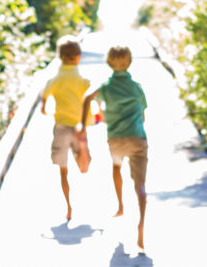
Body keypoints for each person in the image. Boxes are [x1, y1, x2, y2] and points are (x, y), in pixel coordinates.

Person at [80, 45, 149, 248]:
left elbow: (87, 98)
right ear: (129, 63)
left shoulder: (106, 88)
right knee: (140, 185)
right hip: (137, 138)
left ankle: (120, 205)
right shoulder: (137, 88)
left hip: (116, 140)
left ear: (109, 63)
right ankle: (141, 225)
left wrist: (85, 124)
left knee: (116, 166)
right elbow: (143, 116)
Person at [41, 36, 90, 221]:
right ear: (78, 57)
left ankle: (68, 206)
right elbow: (90, 97)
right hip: (78, 126)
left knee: (63, 168)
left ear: (60, 57)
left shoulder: (56, 79)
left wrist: (44, 109)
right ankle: (82, 151)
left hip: (61, 126)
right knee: (83, 167)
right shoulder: (81, 79)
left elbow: (45, 94)